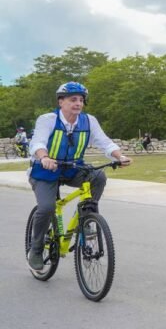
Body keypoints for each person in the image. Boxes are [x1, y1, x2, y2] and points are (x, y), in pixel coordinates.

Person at [26, 82, 131, 271]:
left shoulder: (89, 120)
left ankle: (87, 216)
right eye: (73, 99)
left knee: (98, 176)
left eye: (81, 100)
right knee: (47, 207)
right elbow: (37, 142)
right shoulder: (48, 119)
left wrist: (119, 156)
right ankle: (35, 249)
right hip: (45, 170)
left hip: (73, 168)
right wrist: (44, 157)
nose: (78, 103)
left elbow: (104, 142)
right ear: (61, 102)